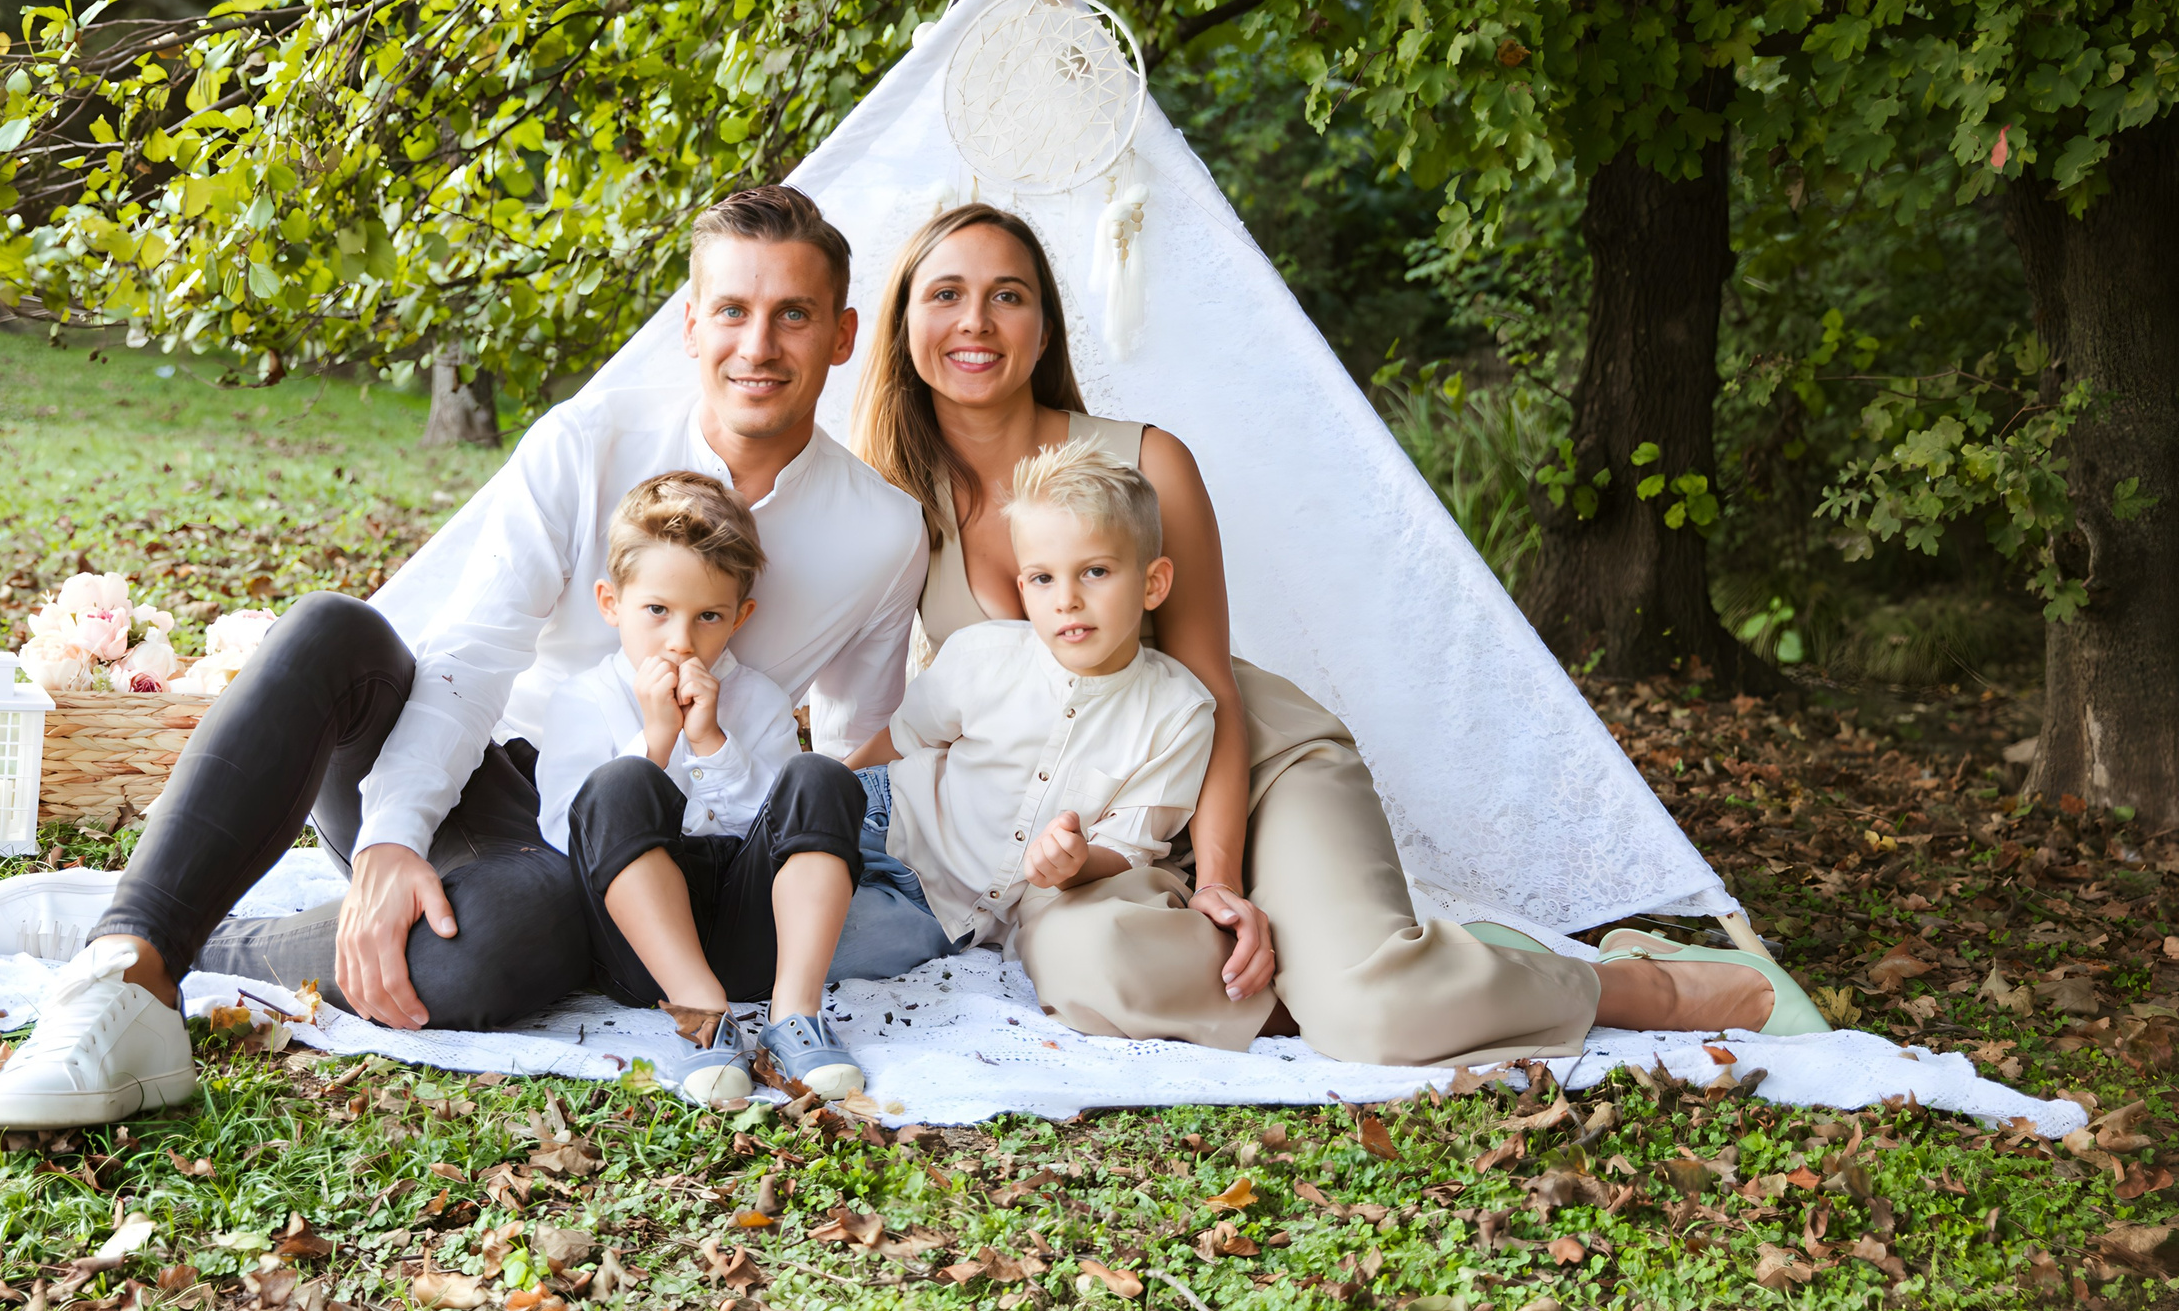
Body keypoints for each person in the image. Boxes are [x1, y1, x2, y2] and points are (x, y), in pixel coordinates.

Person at [0, 186, 928, 1131]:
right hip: (501, 790)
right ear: (689, 323)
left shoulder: (881, 534)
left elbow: (849, 751)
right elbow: (471, 655)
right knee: (334, 628)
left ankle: (210, 932)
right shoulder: (589, 442)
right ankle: (129, 950)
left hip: (651, 861)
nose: (757, 345)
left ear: (840, 336)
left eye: (792, 315)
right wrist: (393, 838)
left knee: (492, 949)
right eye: (732, 310)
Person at [843, 203, 1824, 1062]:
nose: (975, 320)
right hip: (1102, 828)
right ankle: (1363, 973)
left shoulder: (1142, 459)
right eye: (946, 294)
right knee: (1094, 967)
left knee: (1370, 1014)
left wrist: (1221, 878)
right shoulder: (888, 504)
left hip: (1246, 763)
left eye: (1007, 293)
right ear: (901, 324)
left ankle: (1631, 983)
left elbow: (1208, 686)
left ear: (1044, 322)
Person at [878, 438, 1230, 1041]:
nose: (1066, 598)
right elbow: (895, 746)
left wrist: (1074, 866)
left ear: (1153, 584)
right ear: (1023, 588)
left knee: (827, 942)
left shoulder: (1179, 714)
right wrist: (822, 784)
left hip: (936, 911)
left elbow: (1129, 846)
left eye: (1095, 571)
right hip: (888, 824)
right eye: (1043, 578)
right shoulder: (982, 655)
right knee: (795, 834)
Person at [540, 471, 866, 1104]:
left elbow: (780, 830)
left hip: (755, 939)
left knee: (821, 774)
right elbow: (564, 831)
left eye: (708, 616)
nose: (681, 640)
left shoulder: (759, 700)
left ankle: (793, 1015)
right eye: (656, 611)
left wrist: (713, 740)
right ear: (611, 604)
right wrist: (657, 743)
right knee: (620, 780)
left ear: (740, 617)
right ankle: (705, 1019)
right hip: (643, 953)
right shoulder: (582, 699)